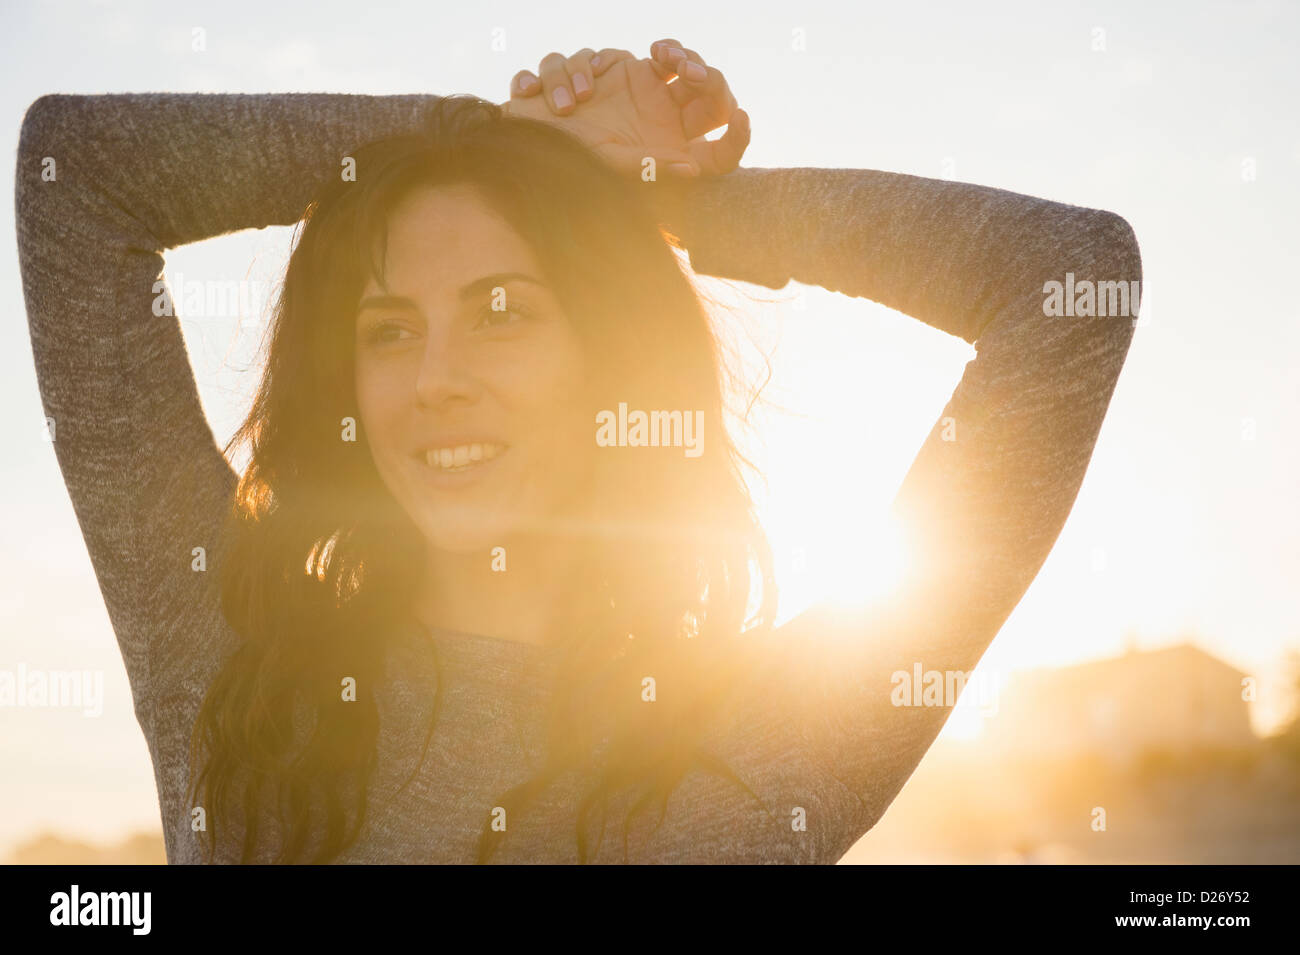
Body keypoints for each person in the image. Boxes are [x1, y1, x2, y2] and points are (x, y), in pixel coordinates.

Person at [14, 39, 1142, 864]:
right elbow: (75, 175)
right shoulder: (228, 667)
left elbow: (1069, 281)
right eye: (389, 329)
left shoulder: (774, 732)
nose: (436, 375)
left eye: (502, 309)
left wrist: (666, 204)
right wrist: (488, 138)